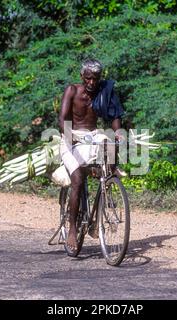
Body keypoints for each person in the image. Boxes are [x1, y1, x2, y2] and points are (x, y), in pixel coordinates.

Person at [58, 59, 125, 253]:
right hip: (72, 138)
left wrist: (118, 132)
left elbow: (114, 116)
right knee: (78, 179)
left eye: (95, 79)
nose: (92, 83)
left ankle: (108, 187)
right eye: (88, 78)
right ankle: (72, 229)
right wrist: (70, 137)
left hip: (92, 136)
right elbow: (62, 120)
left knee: (110, 143)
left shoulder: (104, 92)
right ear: (82, 77)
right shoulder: (72, 91)